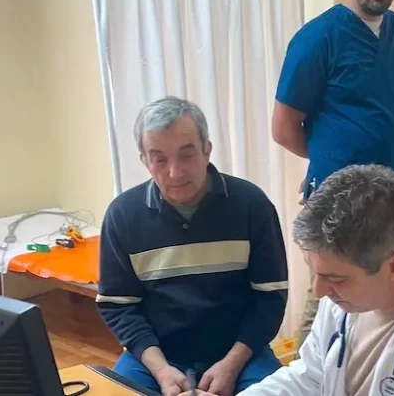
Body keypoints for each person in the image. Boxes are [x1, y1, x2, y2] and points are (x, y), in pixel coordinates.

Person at [181, 165, 394, 396]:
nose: (319, 290)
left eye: (334, 278)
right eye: (314, 272)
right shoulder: (347, 296)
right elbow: (310, 377)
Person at [270, 0, 394, 347]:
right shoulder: (318, 39)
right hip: (339, 211)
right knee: (328, 307)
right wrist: (328, 163)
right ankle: (307, 376)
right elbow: (283, 128)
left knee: (392, 305)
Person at [97, 96, 289, 396]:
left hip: (239, 353)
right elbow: (118, 306)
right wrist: (161, 370)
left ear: (207, 150)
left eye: (186, 155)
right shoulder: (122, 215)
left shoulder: (252, 205)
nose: (175, 172)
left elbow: (270, 297)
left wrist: (231, 365)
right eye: (159, 159)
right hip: (157, 356)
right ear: (144, 160)